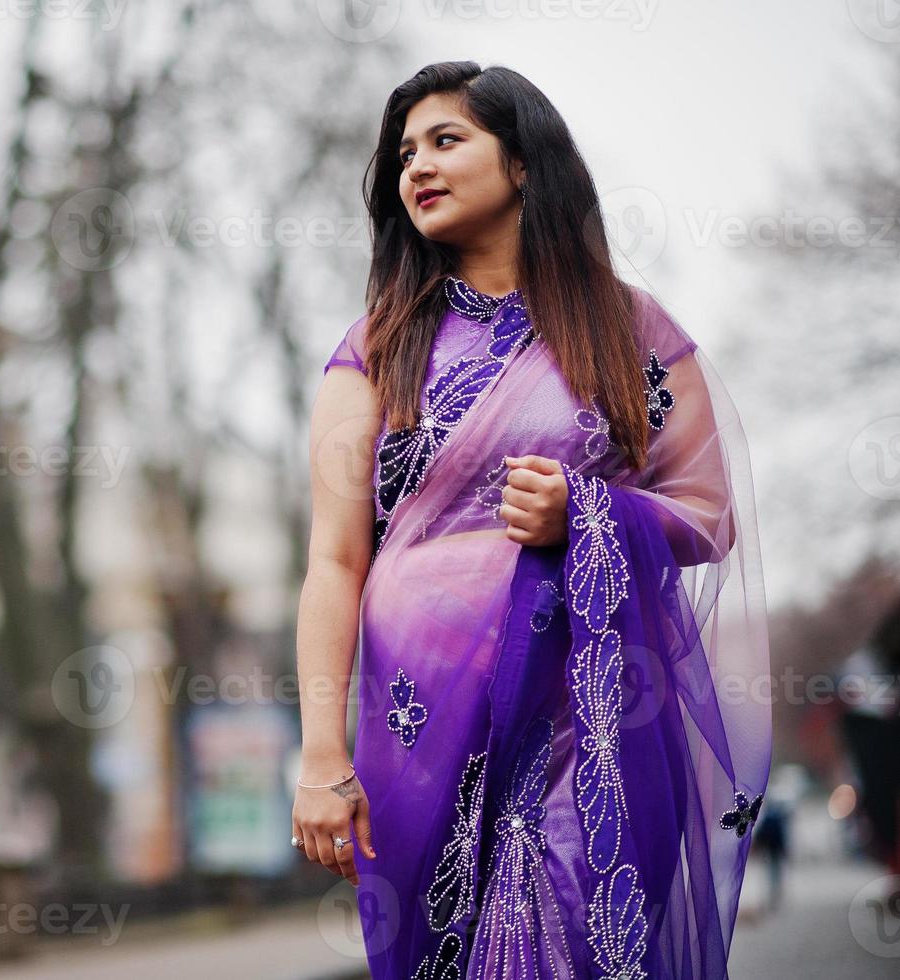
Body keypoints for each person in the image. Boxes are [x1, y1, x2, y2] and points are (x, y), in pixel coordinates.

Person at [293, 61, 772, 979]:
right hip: (415, 723)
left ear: (521, 163)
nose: (416, 168)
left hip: (586, 710)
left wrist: (585, 512)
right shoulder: (375, 350)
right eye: (403, 153)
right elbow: (333, 563)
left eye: (445, 140)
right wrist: (319, 755)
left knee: (580, 938)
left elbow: (708, 516)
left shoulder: (627, 331)